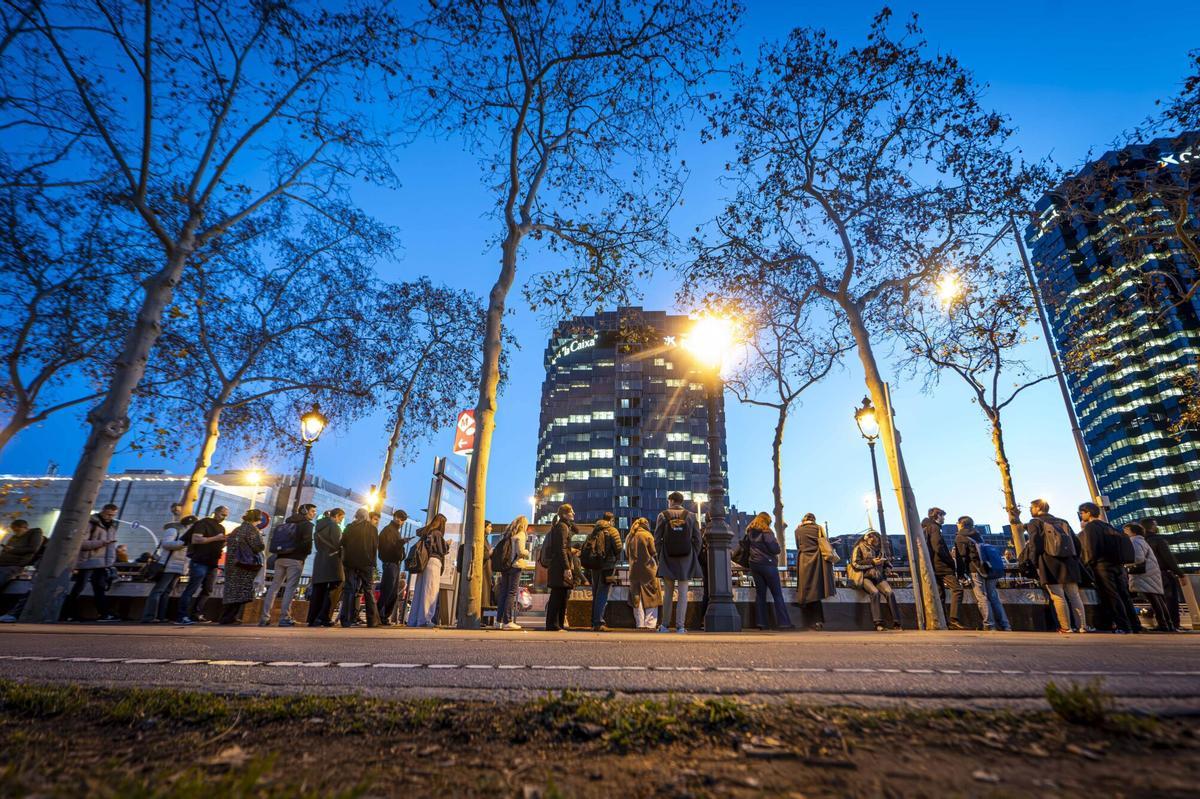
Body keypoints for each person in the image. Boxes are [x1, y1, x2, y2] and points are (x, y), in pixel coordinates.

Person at [1024, 499, 1087, 634]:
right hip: (1069, 561)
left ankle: (1066, 627)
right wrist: (1074, 558)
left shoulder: (1034, 522)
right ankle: (1082, 626)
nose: (1030, 510)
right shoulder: (1062, 521)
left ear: (1038, 508)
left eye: (1032, 507)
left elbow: (1034, 544)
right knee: (1074, 595)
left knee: (1058, 595)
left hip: (1049, 561)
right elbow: (1076, 542)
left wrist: (1034, 562)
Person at [1078, 503, 1135, 633]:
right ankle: (1134, 624)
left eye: (1082, 513)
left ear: (1088, 512)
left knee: (1111, 596)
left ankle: (1122, 626)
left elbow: (1092, 547)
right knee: (1124, 595)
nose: (1081, 516)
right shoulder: (1109, 526)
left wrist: (1088, 563)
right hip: (1118, 565)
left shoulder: (1091, 527)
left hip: (1102, 565)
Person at [653, 491, 703, 634]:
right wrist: (692, 554)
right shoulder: (691, 516)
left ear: (671, 501)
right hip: (685, 559)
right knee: (683, 593)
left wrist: (661, 555)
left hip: (668, 558)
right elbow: (698, 539)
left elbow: (657, 539)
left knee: (668, 593)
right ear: (681, 502)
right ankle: (680, 627)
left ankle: (664, 626)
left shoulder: (663, 515)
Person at [259, 504, 316, 627]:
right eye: (312, 511)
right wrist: (306, 554)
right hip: (295, 559)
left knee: (273, 587)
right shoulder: (307, 525)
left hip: (280, 558)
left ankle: (264, 617)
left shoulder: (286, 523)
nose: (314, 514)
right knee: (290, 588)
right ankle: (284, 617)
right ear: (305, 511)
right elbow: (307, 543)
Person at [954, 516, 1010, 632]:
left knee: (982, 597)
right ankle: (1005, 625)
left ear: (961, 524)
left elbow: (961, 557)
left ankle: (989, 624)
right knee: (993, 597)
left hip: (975, 569)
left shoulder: (960, 536)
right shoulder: (977, 534)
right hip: (988, 568)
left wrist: (960, 574)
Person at [66, 503, 120, 622]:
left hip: (101, 561)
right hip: (88, 560)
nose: (110, 517)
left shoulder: (112, 525)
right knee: (80, 587)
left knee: (99, 587)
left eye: (113, 515)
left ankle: (103, 614)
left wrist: (110, 559)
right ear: (103, 511)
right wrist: (102, 542)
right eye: (108, 514)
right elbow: (82, 543)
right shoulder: (91, 523)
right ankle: (70, 613)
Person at [176, 506, 228, 624]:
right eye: (222, 514)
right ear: (215, 512)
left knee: (208, 589)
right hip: (199, 561)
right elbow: (196, 539)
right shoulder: (203, 523)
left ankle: (196, 614)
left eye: (226, 516)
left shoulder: (221, 528)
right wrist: (216, 538)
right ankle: (182, 616)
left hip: (213, 562)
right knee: (192, 588)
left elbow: (218, 544)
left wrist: (224, 541)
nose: (224, 518)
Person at [139, 515, 194, 623]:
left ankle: (160, 617)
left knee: (167, 592)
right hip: (168, 565)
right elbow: (166, 544)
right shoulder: (173, 530)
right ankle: (149, 617)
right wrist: (183, 543)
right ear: (189, 524)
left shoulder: (189, 534)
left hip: (179, 567)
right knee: (158, 591)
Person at [746, 512, 793, 630]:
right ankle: (784, 622)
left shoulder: (750, 532)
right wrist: (777, 546)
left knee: (760, 595)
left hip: (754, 564)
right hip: (768, 564)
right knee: (777, 594)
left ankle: (761, 623)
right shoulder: (767, 532)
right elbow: (775, 549)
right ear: (766, 521)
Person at [1124, 523, 1174, 632]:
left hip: (1144, 574)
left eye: (1126, 530)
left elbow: (1138, 558)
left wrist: (1125, 564)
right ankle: (1168, 624)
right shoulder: (1142, 541)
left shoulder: (1134, 541)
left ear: (1132, 531)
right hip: (1151, 573)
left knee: (1154, 599)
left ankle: (1163, 624)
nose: (1124, 532)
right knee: (1158, 598)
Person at [849, 530, 902, 631]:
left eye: (876, 539)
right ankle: (878, 623)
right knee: (875, 593)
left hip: (879, 577)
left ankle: (897, 622)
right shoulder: (859, 547)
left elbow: (888, 563)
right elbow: (855, 564)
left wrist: (887, 568)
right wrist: (872, 562)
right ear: (866, 538)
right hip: (865, 577)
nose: (874, 540)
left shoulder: (880, 550)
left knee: (890, 593)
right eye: (872, 538)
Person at [218, 509, 265, 624]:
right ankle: (229, 618)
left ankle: (225, 617)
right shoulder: (252, 530)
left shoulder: (237, 530)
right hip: (243, 565)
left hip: (231, 564)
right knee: (239, 593)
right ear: (257, 519)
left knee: (231, 592)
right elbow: (259, 546)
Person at [921, 507, 964, 629]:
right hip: (941, 566)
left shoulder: (927, 528)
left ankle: (943, 621)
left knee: (940, 595)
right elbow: (938, 547)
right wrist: (950, 561)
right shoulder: (934, 528)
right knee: (957, 589)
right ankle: (954, 619)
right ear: (937, 516)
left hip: (933, 566)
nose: (944, 518)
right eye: (942, 516)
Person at [794, 512, 835, 631]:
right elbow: (824, 542)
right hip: (817, 559)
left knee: (805, 588)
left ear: (803, 519)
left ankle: (810, 620)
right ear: (814, 519)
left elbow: (798, 545)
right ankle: (818, 621)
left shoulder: (798, 530)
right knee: (816, 589)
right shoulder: (819, 528)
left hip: (803, 560)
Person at [582, 512, 623, 631]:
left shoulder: (595, 530)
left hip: (595, 566)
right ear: (611, 520)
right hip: (607, 566)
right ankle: (599, 622)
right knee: (603, 593)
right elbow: (619, 548)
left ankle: (594, 622)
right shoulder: (612, 530)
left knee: (596, 593)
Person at [339, 508, 380, 628]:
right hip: (366, 563)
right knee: (368, 590)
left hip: (350, 562)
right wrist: (373, 563)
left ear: (356, 516)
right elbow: (374, 546)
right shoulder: (372, 529)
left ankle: (345, 620)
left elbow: (343, 543)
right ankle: (372, 621)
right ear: (367, 516)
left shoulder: (350, 527)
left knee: (349, 589)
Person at [407, 513, 448, 627]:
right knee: (430, 591)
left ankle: (413, 620)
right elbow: (441, 549)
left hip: (424, 562)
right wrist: (448, 544)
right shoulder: (437, 533)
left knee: (419, 592)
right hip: (434, 562)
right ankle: (425, 620)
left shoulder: (426, 532)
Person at [1143, 518, 1184, 631]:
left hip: (1149, 575)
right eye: (1155, 525)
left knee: (1158, 600)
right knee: (1170, 599)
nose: (1157, 527)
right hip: (1163, 573)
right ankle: (1173, 624)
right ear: (1151, 526)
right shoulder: (1158, 540)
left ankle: (1162, 623)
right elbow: (1169, 559)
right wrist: (1180, 574)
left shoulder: (1142, 542)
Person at [0, 520, 45, 622]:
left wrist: (12, 549)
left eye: (17, 530)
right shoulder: (14, 537)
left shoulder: (35, 533)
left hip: (13, 565)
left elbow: (33, 549)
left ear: (24, 527)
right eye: (14, 531)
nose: (15, 533)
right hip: (4, 563)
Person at [308, 508, 345, 627]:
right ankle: (324, 617)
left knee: (318, 590)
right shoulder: (334, 526)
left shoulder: (318, 526)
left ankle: (312, 618)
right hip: (332, 561)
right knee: (335, 588)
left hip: (320, 560)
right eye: (341, 518)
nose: (341, 521)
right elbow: (337, 544)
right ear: (337, 516)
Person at [542, 504, 576, 632]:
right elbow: (561, 548)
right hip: (559, 566)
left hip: (558, 565)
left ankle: (558, 625)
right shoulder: (562, 527)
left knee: (561, 596)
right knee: (557, 596)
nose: (574, 514)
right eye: (571, 511)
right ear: (564, 514)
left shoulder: (563, 526)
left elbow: (563, 547)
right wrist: (567, 567)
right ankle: (553, 625)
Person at [625, 517, 662, 630]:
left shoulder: (629, 536)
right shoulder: (647, 535)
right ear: (646, 525)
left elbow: (627, 554)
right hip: (648, 571)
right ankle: (650, 624)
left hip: (633, 571)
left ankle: (640, 623)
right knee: (651, 596)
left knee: (637, 598)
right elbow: (654, 553)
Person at [494, 515, 530, 630]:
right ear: (523, 525)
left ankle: (498, 621)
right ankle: (508, 621)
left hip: (506, 567)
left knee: (504, 593)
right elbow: (520, 552)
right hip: (515, 566)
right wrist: (527, 552)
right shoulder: (521, 535)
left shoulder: (510, 535)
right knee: (512, 593)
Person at [378, 509, 410, 625]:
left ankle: (384, 617)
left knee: (392, 592)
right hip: (390, 563)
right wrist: (400, 543)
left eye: (402, 520)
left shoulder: (395, 531)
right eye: (398, 518)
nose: (400, 521)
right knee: (388, 590)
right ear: (394, 517)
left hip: (394, 564)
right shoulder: (388, 530)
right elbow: (386, 549)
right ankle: (380, 616)